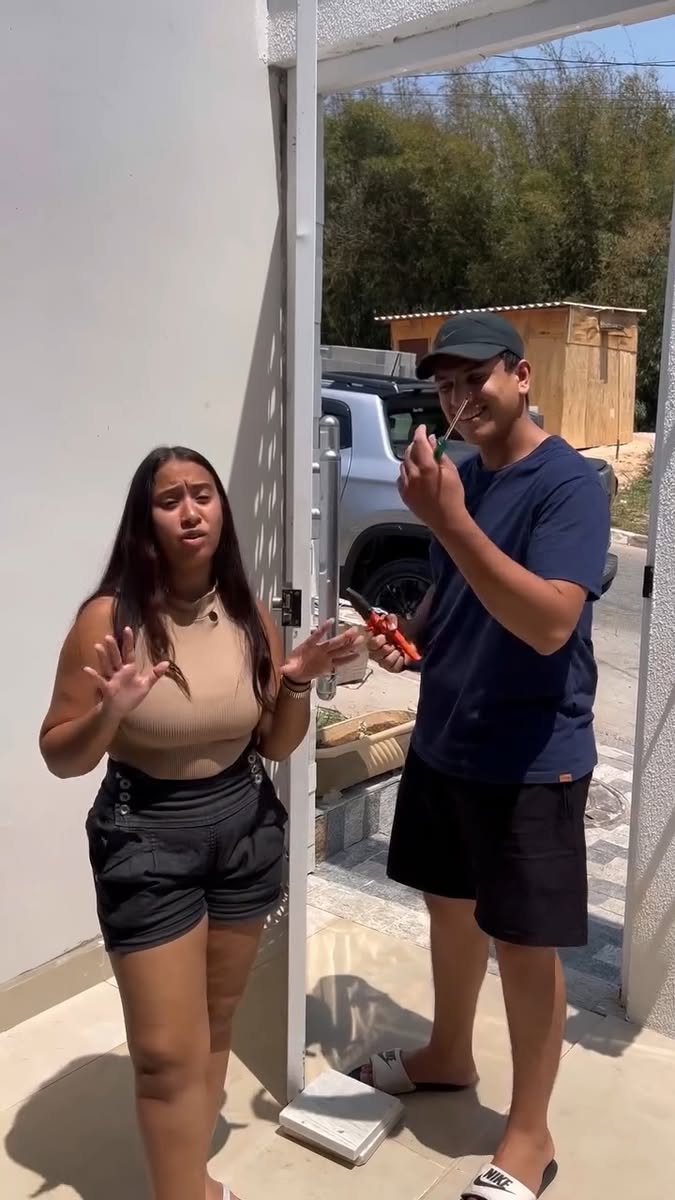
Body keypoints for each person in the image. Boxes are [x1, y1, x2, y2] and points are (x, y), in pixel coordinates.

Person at [40, 445, 362, 1200]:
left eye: (203, 495)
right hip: (145, 837)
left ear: (221, 511)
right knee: (162, 1053)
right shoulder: (108, 619)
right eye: (170, 500)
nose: (190, 512)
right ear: (145, 520)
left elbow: (275, 745)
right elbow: (59, 754)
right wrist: (109, 715)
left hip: (244, 827)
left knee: (216, 1018)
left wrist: (295, 683)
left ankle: (195, 1181)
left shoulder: (248, 613)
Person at [350, 314, 610, 1200]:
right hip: (445, 738)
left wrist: (449, 519)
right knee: (449, 910)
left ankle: (529, 1136)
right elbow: (454, 592)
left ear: (521, 375)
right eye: (446, 384)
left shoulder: (568, 484)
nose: (460, 398)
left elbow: (549, 622)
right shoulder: (462, 477)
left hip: (530, 753)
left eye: (476, 378)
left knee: (524, 944)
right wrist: (407, 638)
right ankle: (446, 1054)